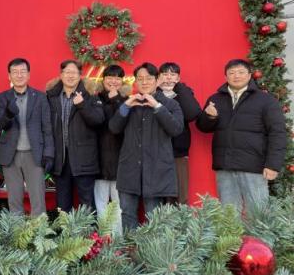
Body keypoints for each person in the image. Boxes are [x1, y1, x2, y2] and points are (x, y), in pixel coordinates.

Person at [196, 58, 287, 212]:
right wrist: (209, 117)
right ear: (225, 76)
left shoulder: (266, 100)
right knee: (228, 215)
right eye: (231, 73)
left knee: (258, 214)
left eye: (241, 72)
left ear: (249, 75)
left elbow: (277, 133)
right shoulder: (215, 99)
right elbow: (203, 127)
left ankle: (258, 231)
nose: (236, 76)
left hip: (254, 167)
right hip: (225, 166)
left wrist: (273, 165)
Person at [109, 62, 183, 230]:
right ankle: (129, 246)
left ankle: (153, 248)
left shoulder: (170, 104)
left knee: (154, 216)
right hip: (129, 169)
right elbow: (114, 128)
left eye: (149, 78)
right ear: (135, 82)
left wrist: (157, 106)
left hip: (156, 170)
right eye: (140, 79)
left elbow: (176, 129)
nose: (144, 82)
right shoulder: (129, 103)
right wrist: (125, 107)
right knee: (127, 214)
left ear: (157, 80)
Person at [0, 58, 54, 217]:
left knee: (38, 201)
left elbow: (47, 128)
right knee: (14, 201)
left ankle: (39, 232)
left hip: (34, 154)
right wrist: (8, 114)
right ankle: (17, 233)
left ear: (28, 74)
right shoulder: (2, 97)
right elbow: (1, 125)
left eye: (22, 71)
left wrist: (49, 153)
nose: (19, 75)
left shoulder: (40, 97)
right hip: (10, 155)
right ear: (9, 76)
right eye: (15, 72)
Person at [46, 60, 105, 212]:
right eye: (67, 72)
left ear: (80, 76)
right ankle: (65, 228)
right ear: (61, 75)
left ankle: (88, 229)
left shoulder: (90, 95)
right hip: (61, 160)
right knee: (62, 204)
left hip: (84, 158)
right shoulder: (51, 97)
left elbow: (98, 120)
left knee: (87, 203)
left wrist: (82, 105)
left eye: (74, 72)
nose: (70, 76)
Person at [158, 62, 202, 205]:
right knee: (158, 195)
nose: (168, 78)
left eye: (173, 75)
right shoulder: (152, 94)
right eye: (165, 74)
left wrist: (180, 88)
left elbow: (192, 114)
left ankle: (180, 220)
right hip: (155, 151)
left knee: (180, 194)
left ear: (178, 78)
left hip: (178, 151)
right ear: (158, 77)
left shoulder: (183, 93)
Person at [94, 65, 128, 229]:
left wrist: (116, 100)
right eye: (109, 77)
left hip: (120, 161)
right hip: (98, 160)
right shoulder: (94, 100)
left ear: (122, 81)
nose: (113, 81)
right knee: (100, 203)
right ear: (103, 80)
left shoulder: (127, 101)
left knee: (118, 205)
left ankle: (118, 239)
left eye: (117, 78)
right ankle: (102, 239)